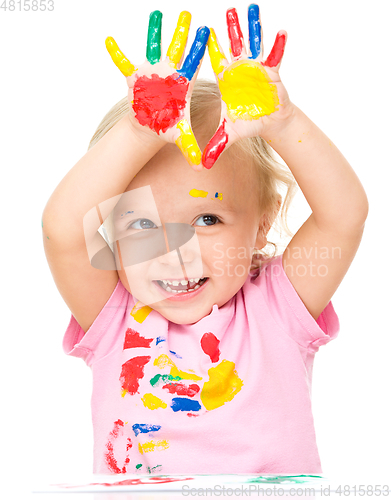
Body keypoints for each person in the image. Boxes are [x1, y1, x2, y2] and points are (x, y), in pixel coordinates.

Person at [42, 6, 368, 475]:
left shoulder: (278, 305)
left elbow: (344, 216)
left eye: (209, 218)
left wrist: (284, 123)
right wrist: (138, 132)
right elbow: (61, 231)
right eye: (140, 224)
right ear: (108, 230)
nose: (176, 250)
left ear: (260, 224)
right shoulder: (112, 315)